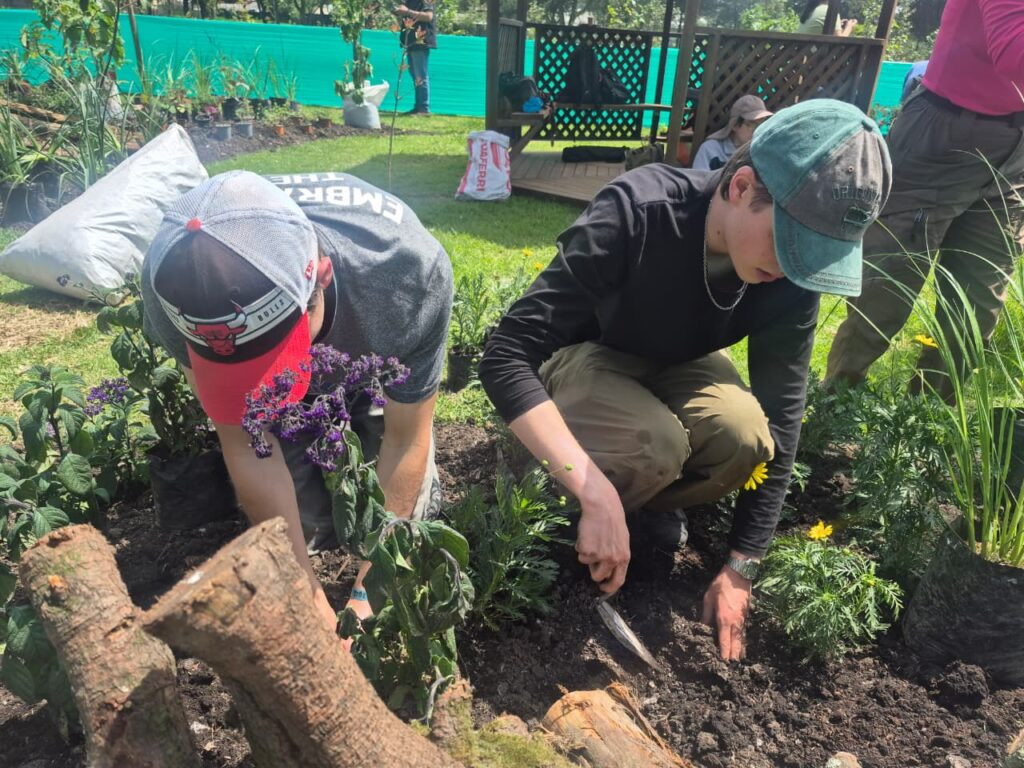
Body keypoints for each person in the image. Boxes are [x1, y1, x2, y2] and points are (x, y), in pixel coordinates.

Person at [479, 100, 891, 661]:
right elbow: (506, 353)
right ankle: (563, 512)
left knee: (748, 436)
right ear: (742, 187)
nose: (795, 270)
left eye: (815, 257)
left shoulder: (792, 280)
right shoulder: (640, 212)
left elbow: (784, 414)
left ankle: (639, 509)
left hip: (677, 363)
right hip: (587, 351)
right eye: (789, 245)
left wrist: (742, 565)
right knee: (654, 444)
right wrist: (593, 491)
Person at [142, 170, 453, 631]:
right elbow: (244, 440)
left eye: (273, 353)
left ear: (322, 279)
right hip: (298, 391)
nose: (262, 375)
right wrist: (306, 594)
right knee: (304, 534)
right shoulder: (172, 281)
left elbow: (406, 440)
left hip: (369, 358)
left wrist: (366, 596)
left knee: (408, 511)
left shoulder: (406, 276)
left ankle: (351, 406)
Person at [825, 0, 1024, 396]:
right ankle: (831, 412)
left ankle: (926, 425)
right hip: (944, 136)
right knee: (884, 293)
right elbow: (1015, 53)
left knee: (975, 311)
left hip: (1015, 149)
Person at [691, 95, 773, 172]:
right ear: (735, 125)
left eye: (761, 125)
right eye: (751, 124)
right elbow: (698, 183)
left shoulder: (762, 153)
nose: (757, 130)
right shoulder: (710, 150)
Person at [395, 0, 436, 115]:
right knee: (415, 75)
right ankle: (418, 107)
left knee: (420, 75)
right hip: (411, 41)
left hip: (421, 41)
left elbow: (428, 16)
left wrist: (407, 11)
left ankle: (423, 108)